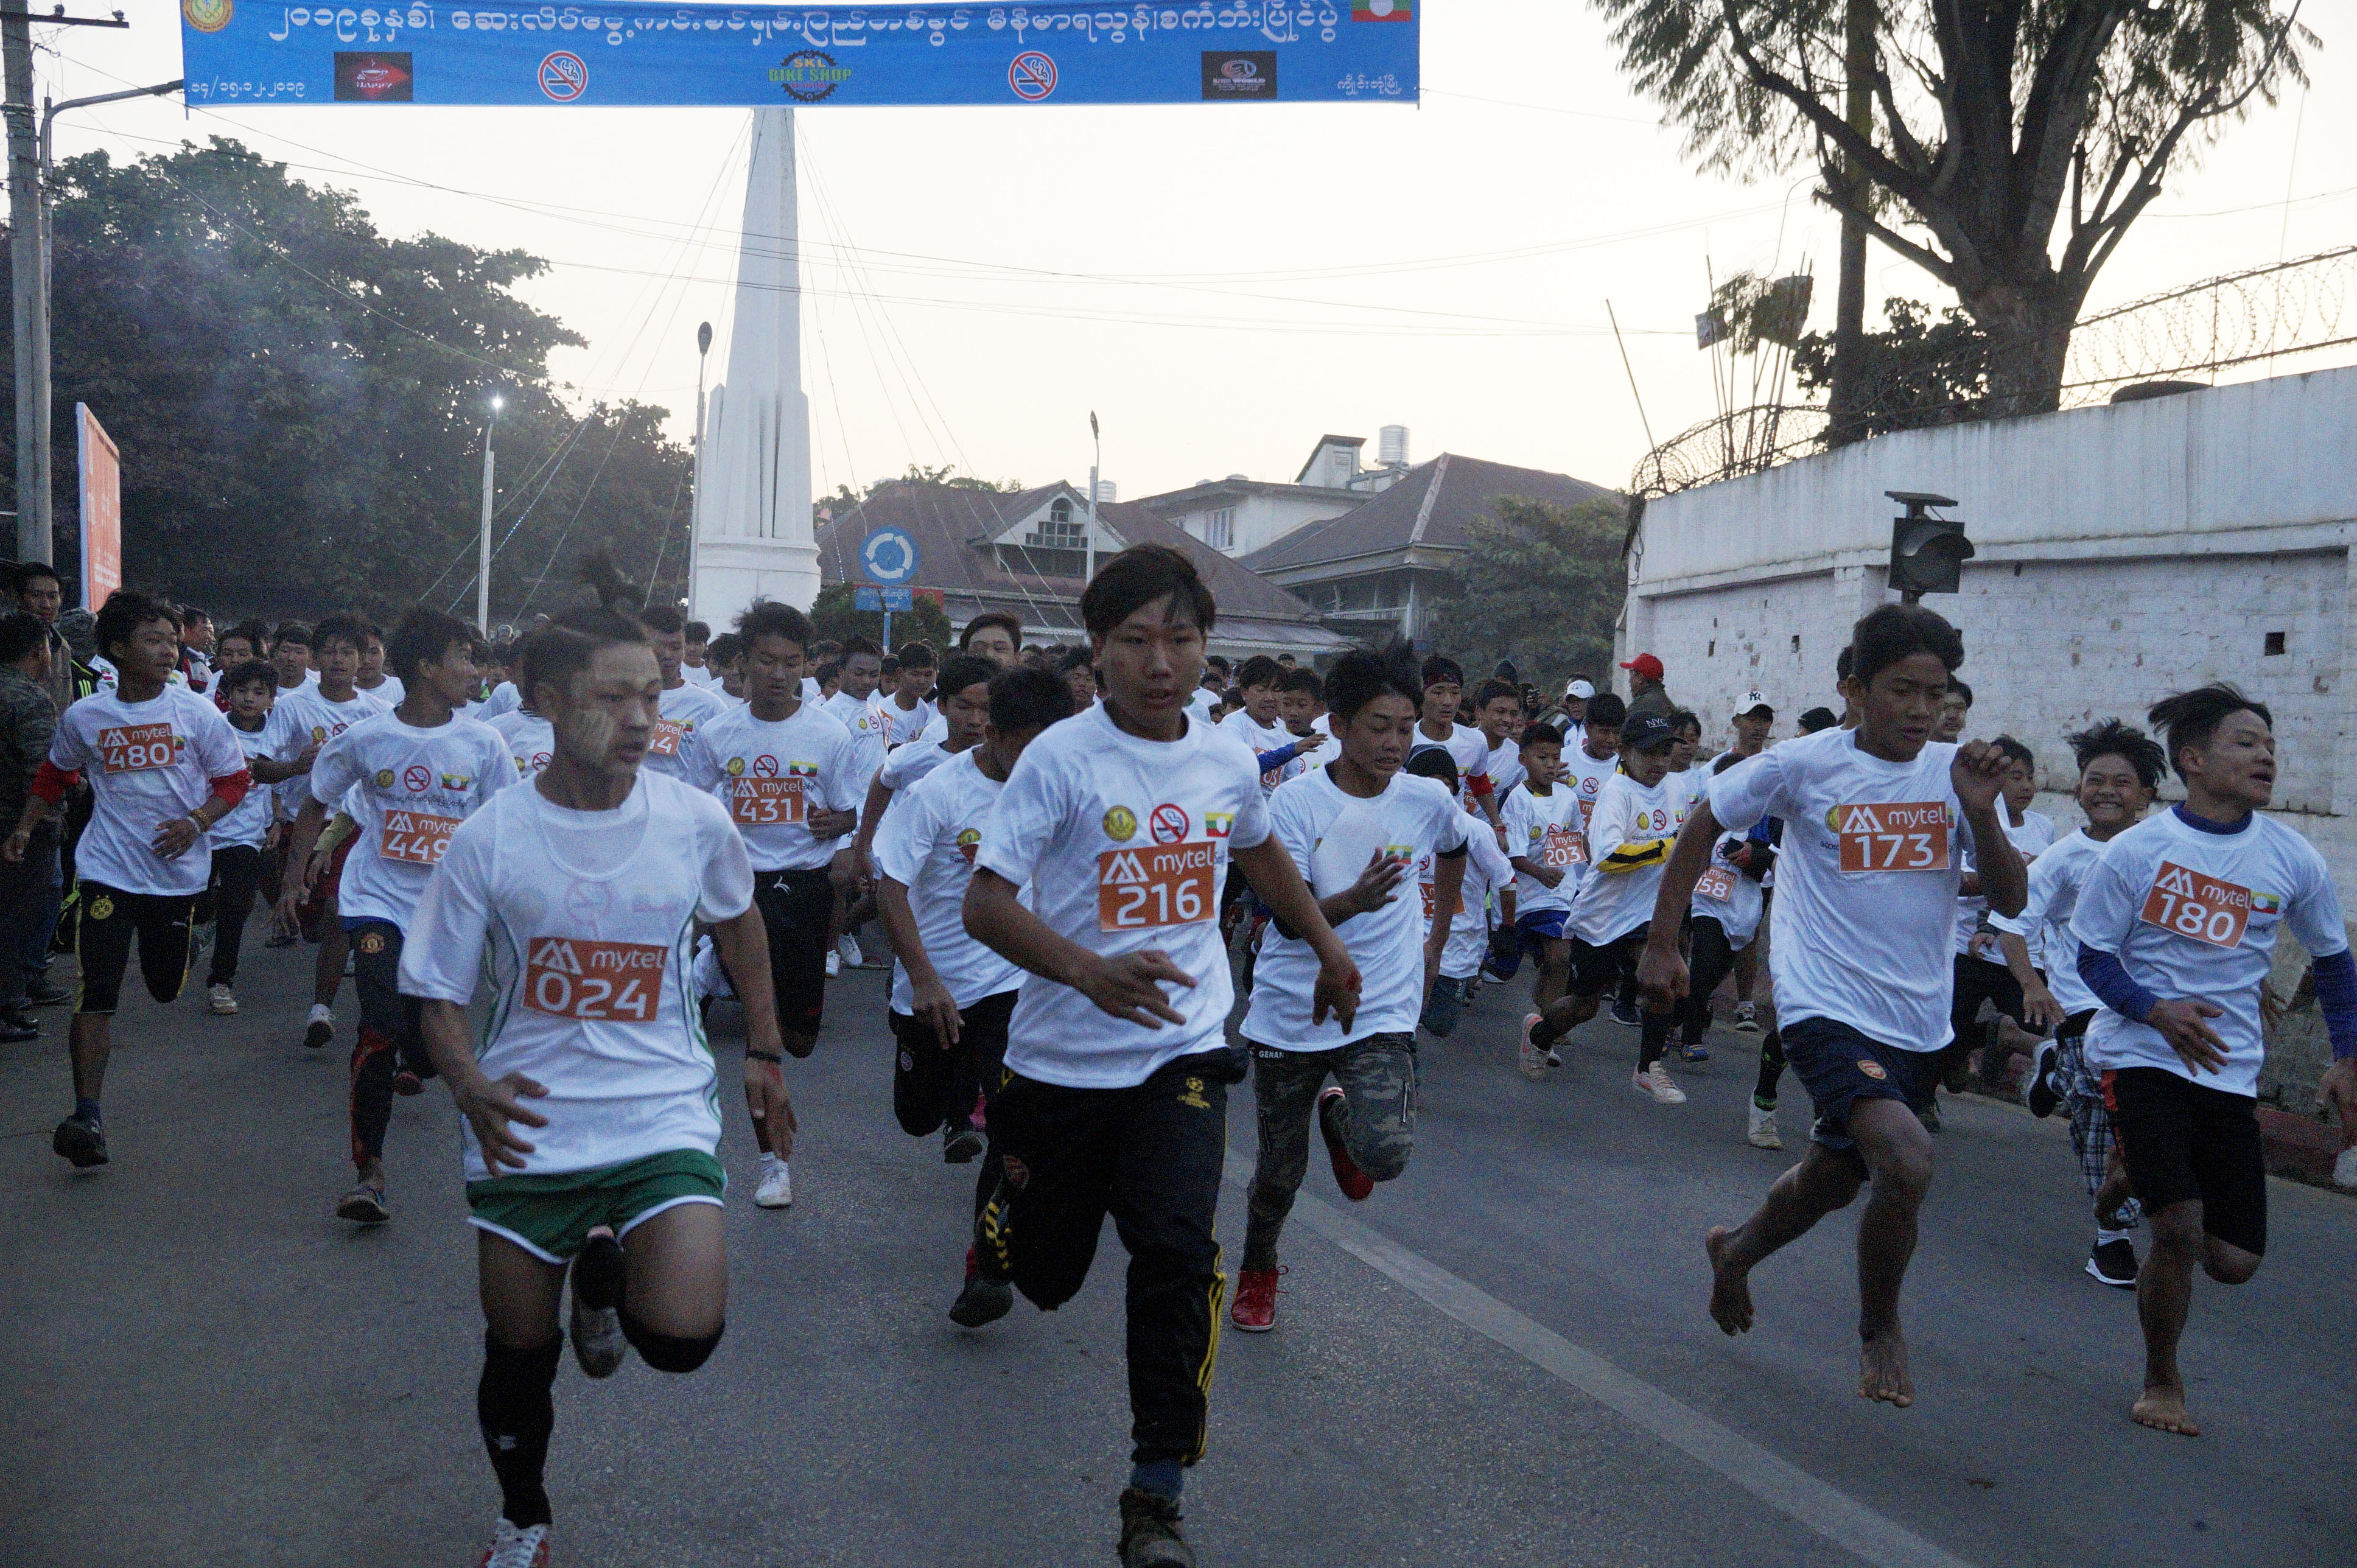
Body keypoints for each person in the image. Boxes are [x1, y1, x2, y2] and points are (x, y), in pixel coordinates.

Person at [960, 544, 1361, 1568]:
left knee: (1179, 1256)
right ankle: (1003, 1217)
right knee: (1048, 1276)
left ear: (1205, 646)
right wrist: (1087, 971)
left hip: (1181, 1051)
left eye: (1180, 640)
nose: (1159, 663)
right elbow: (986, 904)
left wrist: (1326, 943)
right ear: (1096, 649)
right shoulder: (1061, 759)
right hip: (1058, 1064)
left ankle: (1156, 1494)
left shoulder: (1224, 757)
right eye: (1136, 641)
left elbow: (1256, 847)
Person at [399, 604, 786, 1568]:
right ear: (544, 702)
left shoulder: (693, 821)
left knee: (686, 1338)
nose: (641, 719)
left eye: (651, 696)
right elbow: (436, 989)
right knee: (519, 1352)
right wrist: (467, 1083)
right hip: (525, 1123)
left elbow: (739, 920)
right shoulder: (490, 837)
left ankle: (605, 1287)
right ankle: (523, 1516)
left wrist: (766, 1051)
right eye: (612, 699)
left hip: (660, 1113)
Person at [1635, 602, 2022, 1408]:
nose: (1920, 710)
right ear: (1853, 689)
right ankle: (1880, 1328)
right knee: (1905, 1159)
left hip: (1916, 1015)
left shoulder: (1955, 775)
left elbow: (2012, 899)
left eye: (1935, 694)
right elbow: (1704, 825)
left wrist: (1982, 813)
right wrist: (1663, 942)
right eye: (1901, 690)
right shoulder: (1802, 764)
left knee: (1834, 1178)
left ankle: (1735, 1250)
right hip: (1821, 1001)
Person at [2068, 684, 2353, 1438]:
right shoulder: (2137, 851)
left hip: (2227, 1069)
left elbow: (2332, 959)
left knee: (2231, 1260)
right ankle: (2161, 1379)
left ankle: (2129, 1170)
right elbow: (2091, 956)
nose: (2265, 755)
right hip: (2140, 1054)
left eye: (2269, 745)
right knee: (2179, 1230)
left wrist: (2345, 1056)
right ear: (2192, 760)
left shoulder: (2290, 857)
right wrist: (2153, 1009)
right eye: (2245, 742)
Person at [1232, 644, 1468, 1332]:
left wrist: (1437, 937)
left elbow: (1456, 846)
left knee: (1385, 1155)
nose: (1395, 742)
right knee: (1278, 1174)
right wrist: (1353, 902)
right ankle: (1258, 1269)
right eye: (1379, 726)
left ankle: (1341, 1121)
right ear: (1337, 725)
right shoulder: (1295, 803)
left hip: (1380, 1002)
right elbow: (1288, 916)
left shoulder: (1427, 797)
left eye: (1406, 728)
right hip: (1292, 1008)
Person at [278, 609, 517, 1224]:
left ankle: (423, 1056)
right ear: (427, 667)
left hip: (449, 912)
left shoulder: (484, 744)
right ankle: (370, 1175)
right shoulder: (367, 738)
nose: (476, 671)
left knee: (428, 1042)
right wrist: (294, 876)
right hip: (376, 901)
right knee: (378, 1027)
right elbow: (316, 801)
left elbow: (510, 827)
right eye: (464, 658)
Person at [6, 589, 251, 1167]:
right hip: (108, 872)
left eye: (172, 640)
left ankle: (191, 939)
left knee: (165, 987)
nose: (168, 651)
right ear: (117, 649)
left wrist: (196, 822)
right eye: (153, 640)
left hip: (177, 877)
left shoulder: (196, 712)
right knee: (97, 993)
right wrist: (25, 827)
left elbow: (234, 780)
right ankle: (86, 1115)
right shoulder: (87, 716)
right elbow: (55, 773)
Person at [874, 663, 1074, 1325]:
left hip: (1012, 985)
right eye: (1028, 749)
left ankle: (987, 1265)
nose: (1040, 767)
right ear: (993, 734)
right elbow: (891, 887)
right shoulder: (936, 792)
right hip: (933, 986)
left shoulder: (1057, 791)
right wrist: (924, 977)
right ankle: (953, 1099)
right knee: (917, 1116)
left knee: (1014, 1126)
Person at [680, 600, 866, 1209]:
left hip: (806, 887)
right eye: (766, 661)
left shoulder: (829, 734)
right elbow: (691, 809)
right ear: (743, 662)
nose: (779, 674)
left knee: (799, 1037)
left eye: (791, 662)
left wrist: (841, 829)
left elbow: (846, 813)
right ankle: (772, 1164)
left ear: (807, 664)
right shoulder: (718, 734)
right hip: (743, 888)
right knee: (765, 1037)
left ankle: (713, 968)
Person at [1988, 719, 2164, 1287]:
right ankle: (2111, 1240)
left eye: (2122, 782)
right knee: (2099, 1120)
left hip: (2153, 1010)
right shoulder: (2063, 857)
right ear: (2079, 789)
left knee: (2143, 1121)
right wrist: (2033, 987)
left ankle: (2048, 1067)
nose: (2107, 791)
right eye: (2095, 780)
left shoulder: (2168, 853)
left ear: (2146, 795)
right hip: (2083, 1009)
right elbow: (2012, 925)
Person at [1521, 713, 1693, 1102]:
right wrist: (1668, 846)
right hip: (1603, 916)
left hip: (1647, 914)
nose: (1659, 762)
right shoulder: (1616, 793)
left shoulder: (1677, 787)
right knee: (1585, 1006)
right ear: (1625, 752)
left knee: (1661, 981)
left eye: (1665, 752)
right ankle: (1540, 1034)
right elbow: (1609, 857)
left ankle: (1648, 1068)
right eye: (1648, 753)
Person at [266, 612, 390, 1052]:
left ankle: (321, 1010)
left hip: (356, 827)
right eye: (330, 652)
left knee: (339, 914)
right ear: (317, 660)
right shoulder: (293, 706)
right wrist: (295, 766)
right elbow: (260, 767)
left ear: (362, 660)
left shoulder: (379, 714)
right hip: (303, 824)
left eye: (348, 652)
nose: (338, 660)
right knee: (315, 927)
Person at [1929, 735, 2055, 1123]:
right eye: (2015, 777)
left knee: (2035, 1025)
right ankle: (1926, 1094)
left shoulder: (2045, 828)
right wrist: (1997, 885)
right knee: (1946, 1029)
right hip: (1968, 947)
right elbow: (1963, 879)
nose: (2025, 786)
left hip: (2024, 952)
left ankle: (1995, 1041)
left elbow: (2042, 891)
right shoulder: (1976, 820)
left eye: (2030, 777)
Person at [1678, 751, 1775, 1071]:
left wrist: (1753, 856)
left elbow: (1776, 861)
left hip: (1743, 910)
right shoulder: (1705, 818)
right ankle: (1690, 1038)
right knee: (1703, 963)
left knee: (1712, 974)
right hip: (1707, 903)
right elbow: (1686, 854)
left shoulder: (1764, 819)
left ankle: (1676, 1016)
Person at [1498, 722, 1583, 1079]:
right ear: (1524, 760)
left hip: (1559, 895)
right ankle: (1536, 984)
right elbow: (1513, 855)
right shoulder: (1517, 801)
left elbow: (1575, 841)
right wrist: (1540, 873)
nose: (1550, 765)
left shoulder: (1568, 798)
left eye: (1555, 758)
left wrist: (1587, 874)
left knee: (1560, 956)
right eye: (1542, 757)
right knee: (1503, 968)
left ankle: (1545, 1033)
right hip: (1524, 898)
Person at [1414, 748, 1515, 1040]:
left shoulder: (1475, 830)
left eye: (1446, 784)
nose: (1439, 792)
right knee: (1402, 1023)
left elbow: (1506, 880)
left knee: (1441, 1024)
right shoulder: (1401, 826)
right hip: (1409, 938)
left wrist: (1507, 928)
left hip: (1459, 944)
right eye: (1430, 784)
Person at [202, 662, 282, 1017]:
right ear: (228, 695)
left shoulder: (274, 736)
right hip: (205, 830)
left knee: (236, 908)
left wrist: (276, 822)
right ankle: (199, 930)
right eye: (242, 691)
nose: (250, 698)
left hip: (247, 835)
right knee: (196, 904)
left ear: (271, 699)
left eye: (259, 692)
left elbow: (276, 784)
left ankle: (221, 982)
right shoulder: (213, 728)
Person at [0, 610, 59, 1041]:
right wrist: (34, 825)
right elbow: (42, 774)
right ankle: (8, 1005)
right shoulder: (30, 699)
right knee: (14, 919)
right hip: (20, 827)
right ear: (40, 651)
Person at [636, 605, 731, 784]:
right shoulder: (619, 699)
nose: (668, 655)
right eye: (659, 647)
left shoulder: (708, 705)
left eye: (675, 647)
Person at [1409, 657, 1500, 831]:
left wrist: (1498, 825)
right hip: (1412, 831)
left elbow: (1479, 782)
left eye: (1455, 692)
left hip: (1454, 834)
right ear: (1421, 695)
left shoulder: (1475, 741)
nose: (1448, 702)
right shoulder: (1404, 740)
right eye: (1438, 692)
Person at [1469, 677, 1526, 806]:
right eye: (1500, 712)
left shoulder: (1519, 759)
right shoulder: (1458, 742)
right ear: (1479, 712)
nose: (1507, 719)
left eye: (1514, 714)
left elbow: (1524, 802)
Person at [880, 641, 939, 745]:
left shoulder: (923, 707)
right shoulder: (886, 714)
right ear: (900, 674)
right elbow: (897, 753)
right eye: (915, 674)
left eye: (928, 675)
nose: (922, 681)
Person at [354, 626, 404, 708]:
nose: (366, 660)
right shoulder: (342, 693)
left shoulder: (401, 688)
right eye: (360, 653)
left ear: (384, 654)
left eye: (374, 653)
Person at [1621, 653, 1672, 720]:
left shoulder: (1639, 707)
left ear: (1640, 677)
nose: (1629, 681)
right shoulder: (1667, 704)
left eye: (1631, 676)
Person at [270, 621, 318, 694]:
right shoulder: (262, 687)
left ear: (310, 656)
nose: (291, 658)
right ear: (276, 652)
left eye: (299, 652)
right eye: (285, 651)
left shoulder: (316, 691)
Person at [1056, 645, 1099, 712]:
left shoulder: (1103, 715)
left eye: (1089, 679)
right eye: (1076, 677)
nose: (1082, 684)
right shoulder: (1054, 714)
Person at [1934, 676, 1972, 744]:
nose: (1952, 716)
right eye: (1944, 708)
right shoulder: (1915, 749)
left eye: (1959, 708)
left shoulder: (1968, 750)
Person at [680, 618, 719, 685]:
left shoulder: (712, 671)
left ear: (705, 645)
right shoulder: (674, 669)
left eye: (697, 644)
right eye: (687, 644)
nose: (692, 649)